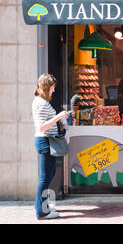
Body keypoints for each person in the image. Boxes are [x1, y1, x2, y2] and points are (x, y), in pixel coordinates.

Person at [32, 73, 70, 219]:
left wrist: (59, 118)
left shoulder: (41, 101)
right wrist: (59, 117)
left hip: (48, 141)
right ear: (46, 87)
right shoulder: (40, 103)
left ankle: (42, 205)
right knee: (45, 177)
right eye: (52, 87)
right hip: (45, 141)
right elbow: (42, 127)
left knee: (49, 174)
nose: (54, 90)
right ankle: (42, 212)